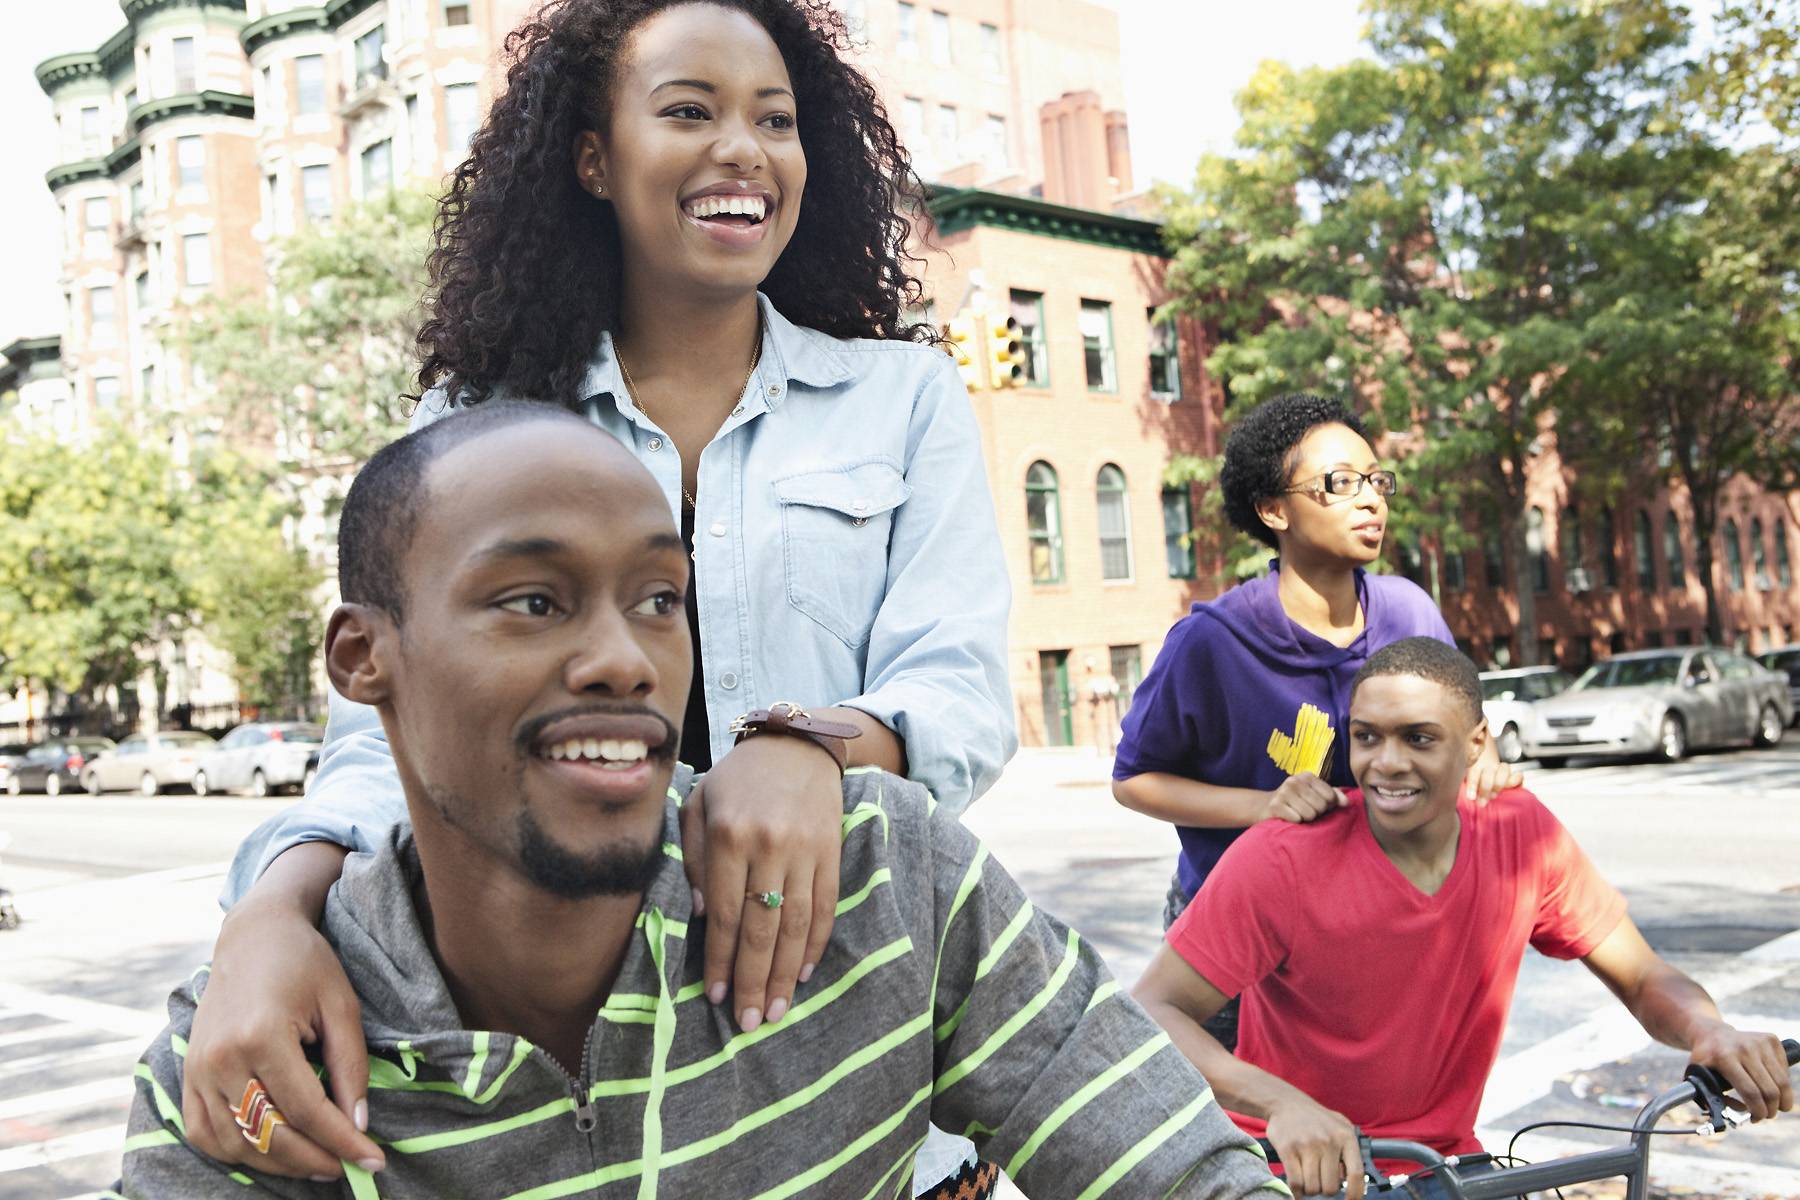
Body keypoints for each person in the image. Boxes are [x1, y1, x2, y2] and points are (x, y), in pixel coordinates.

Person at [179, 1, 1014, 1194]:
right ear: (592, 158)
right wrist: (267, 916)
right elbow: (384, 738)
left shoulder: (907, 397)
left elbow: (963, 689)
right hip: (580, 1096)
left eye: (774, 121)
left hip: (858, 1053)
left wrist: (812, 751)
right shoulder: (479, 421)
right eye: (689, 111)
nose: (743, 149)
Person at [120, 403, 1284, 1200]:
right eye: (532, 600)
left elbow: (1183, 1171)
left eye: (660, 598)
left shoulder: (885, 880)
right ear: (363, 657)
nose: (625, 658)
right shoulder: (253, 1060)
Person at [1132, 637, 1793, 1200]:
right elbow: (1155, 1010)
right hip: (1292, 1169)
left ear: (1477, 743)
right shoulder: (1284, 856)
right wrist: (1280, 1104)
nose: (1386, 763)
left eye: (1418, 738)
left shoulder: (1520, 833)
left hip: (1445, 1169)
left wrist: (1710, 1030)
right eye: (1367, 737)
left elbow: (1643, 976)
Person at [1111, 393, 1517, 1050]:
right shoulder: (1211, 642)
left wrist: (1485, 760)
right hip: (1235, 941)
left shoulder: (1410, 612)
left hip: (1372, 930)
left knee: (1368, 1133)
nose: (1371, 500)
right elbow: (1135, 780)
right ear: (1274, 510)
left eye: (1375, 481)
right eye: (1339, 484)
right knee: (1240, 1137)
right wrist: (1266, 804)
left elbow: (1468, 729)